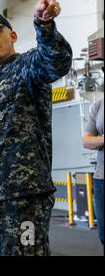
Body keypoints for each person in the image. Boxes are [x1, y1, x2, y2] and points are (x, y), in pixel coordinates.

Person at [0, 0, 72, 256]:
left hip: (24, 197)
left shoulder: (27, 67)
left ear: (13, 36)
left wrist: (44, 23)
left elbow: (56, 61)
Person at [82, 96, 104, 253]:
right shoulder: (99, 105)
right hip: (101, 179)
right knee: (103, 235)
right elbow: (86, 141)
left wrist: (98, 141)